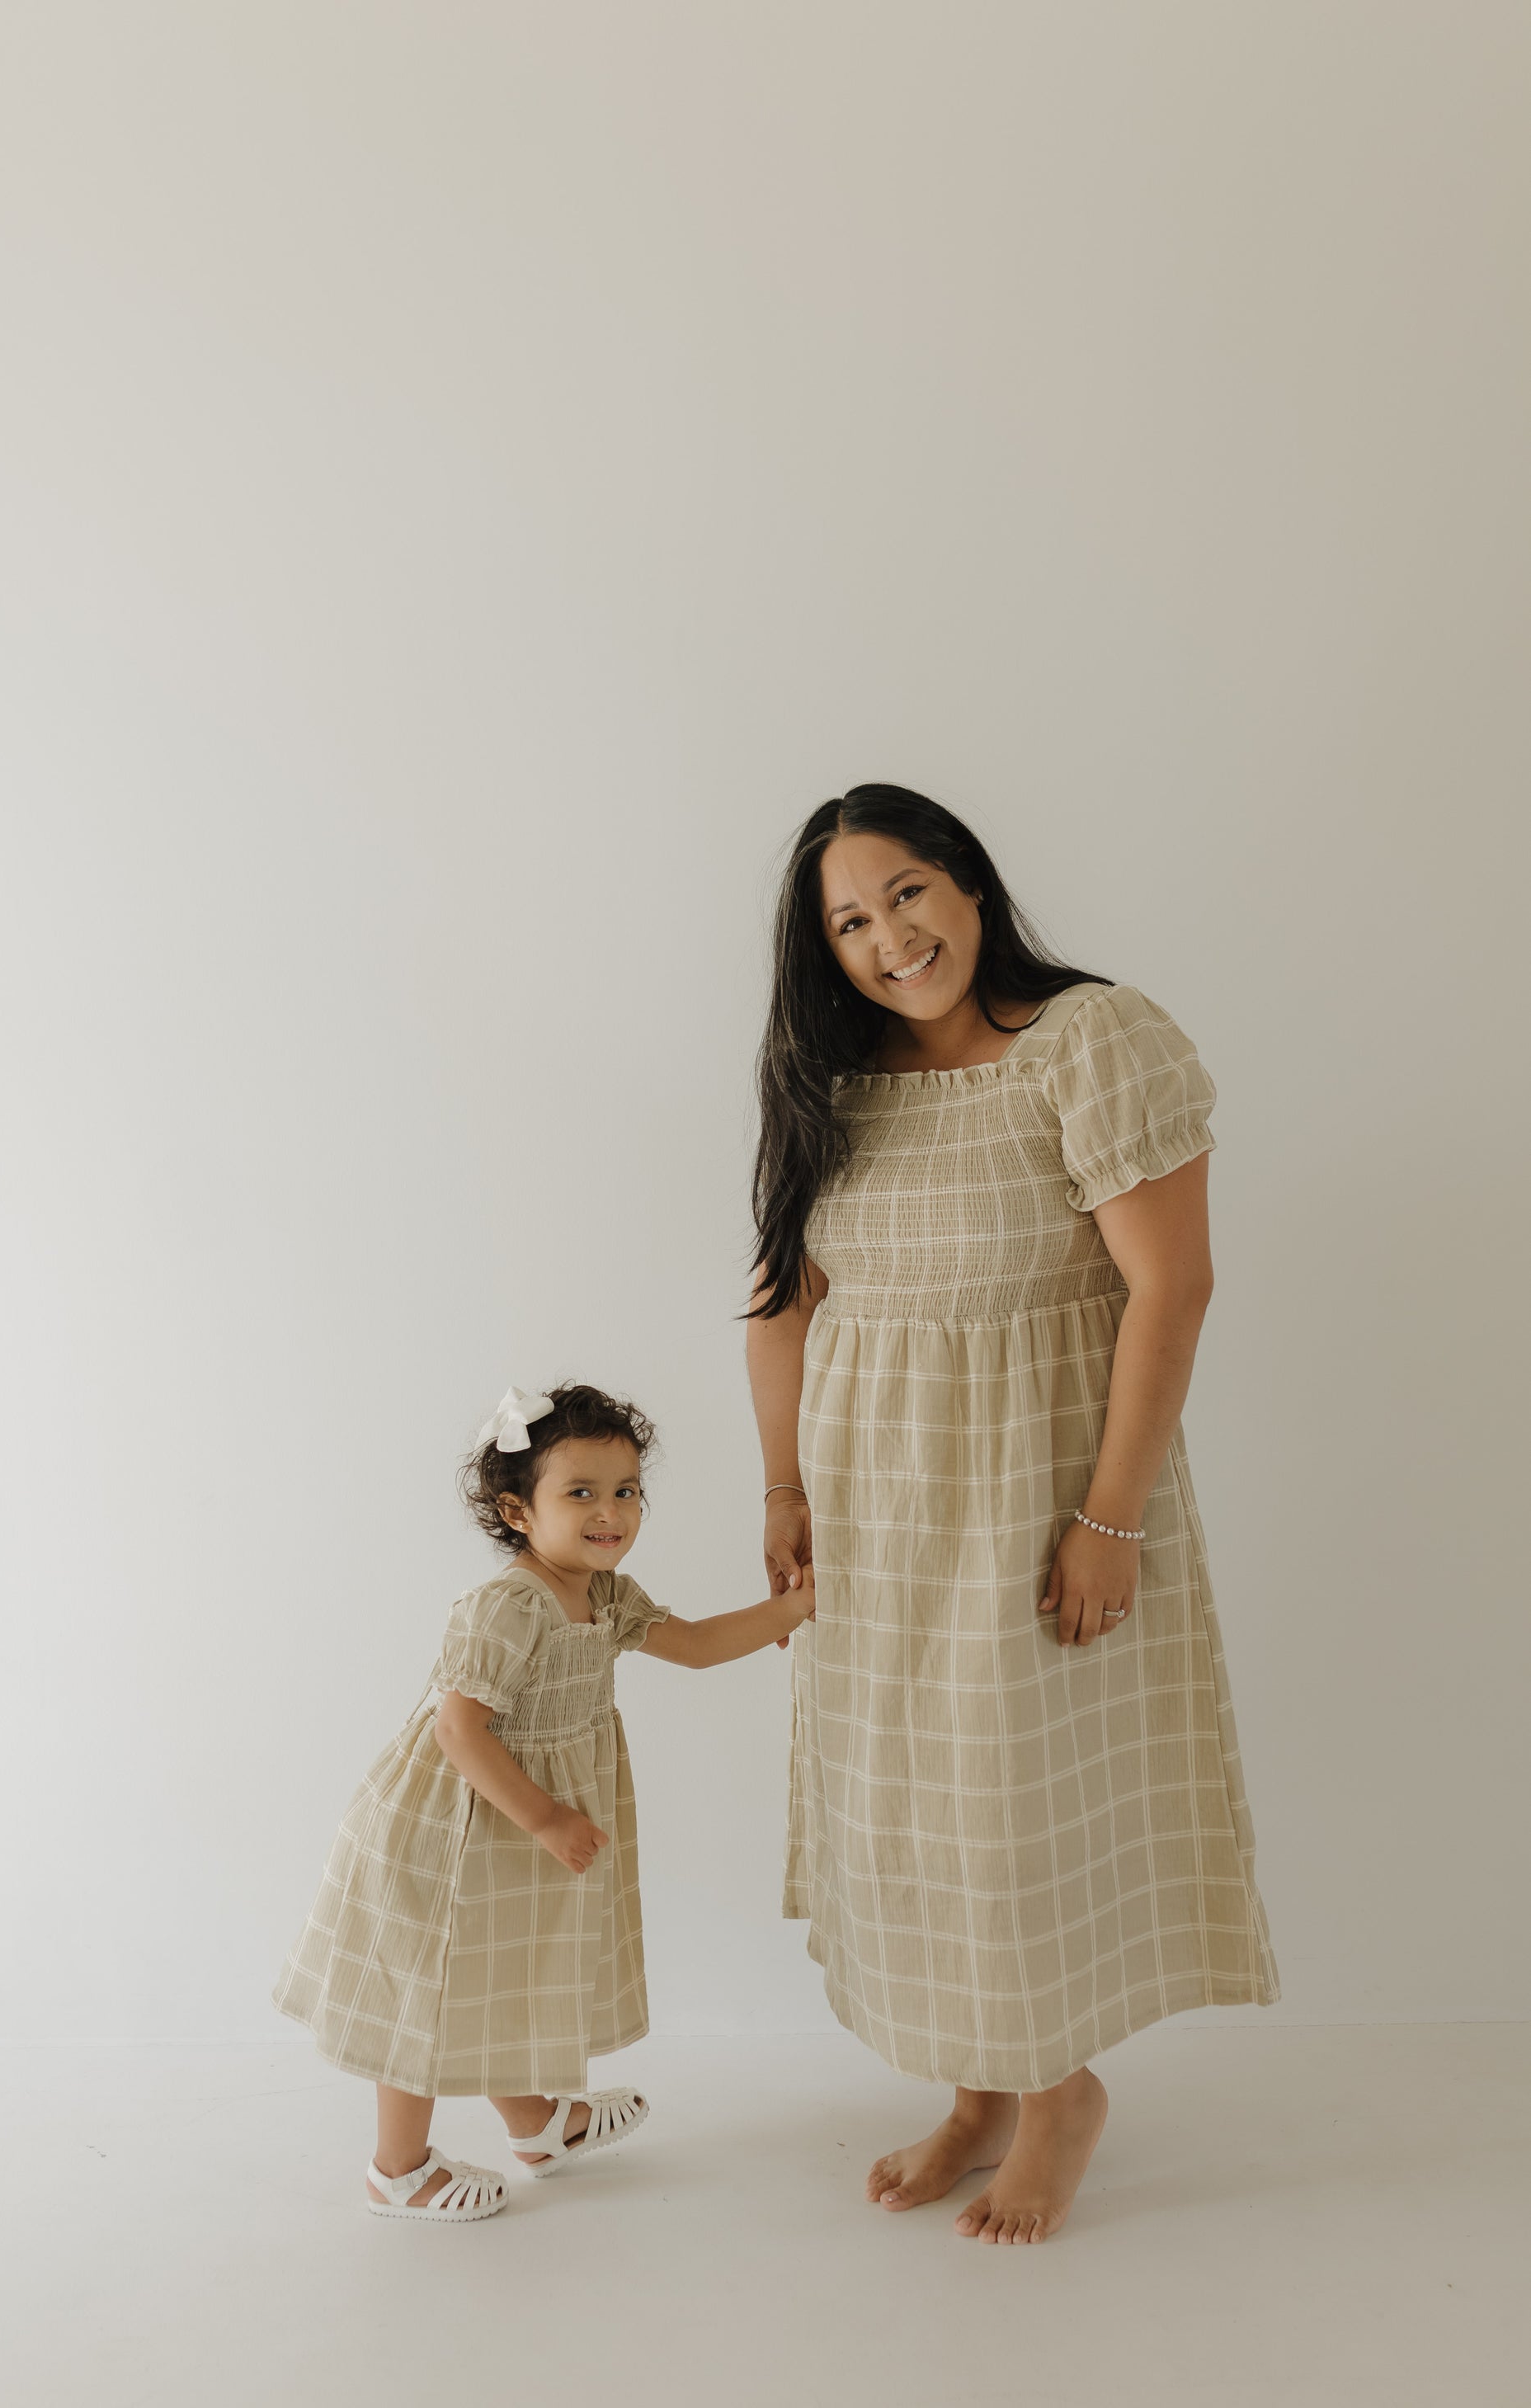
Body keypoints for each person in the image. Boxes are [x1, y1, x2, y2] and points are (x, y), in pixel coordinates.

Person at [746, 785, 1278, 2246]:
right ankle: (979, 2087)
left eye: (905, 892)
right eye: (848, 921)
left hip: (1031, 1490)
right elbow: (784, 1302)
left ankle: (1059, 2095)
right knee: (920, 1809)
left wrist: (1108, 1517)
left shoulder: (1094, 1041)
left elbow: (1173, 1288)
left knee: (1012, 1804)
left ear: (969, 881)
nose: (887, 937)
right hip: (874, 1512)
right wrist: (784, 1486)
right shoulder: (830, 1078)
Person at [275, 1381, 813, 2221]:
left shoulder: (603, 1597)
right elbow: (460, 1732)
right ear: (517, 1513)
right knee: (431, 1990)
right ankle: (398, 2168)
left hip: (512, 1827)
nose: (612, 1513)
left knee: (503, 1972)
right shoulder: (508, 1608)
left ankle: (536, 2122)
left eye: (627, 1491)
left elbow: (700, 1646)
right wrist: (546, 1817)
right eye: (581, 1493)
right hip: (455, 1829)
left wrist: (799, 1607)